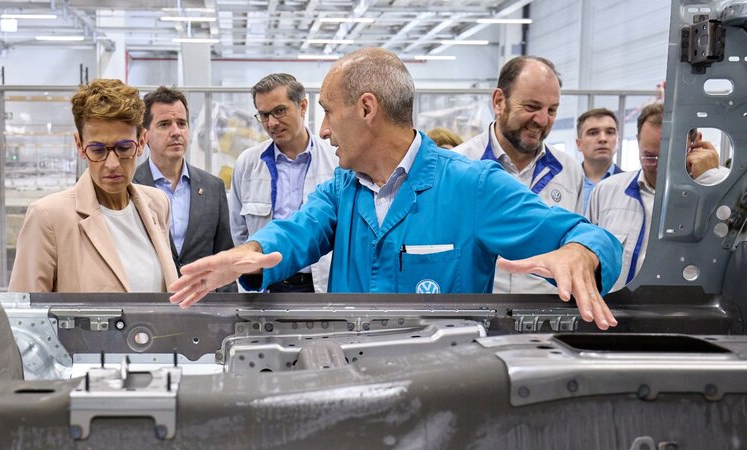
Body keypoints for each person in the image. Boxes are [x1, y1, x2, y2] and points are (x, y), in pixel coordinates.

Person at [170, 48, 621, 331]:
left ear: (367, 109)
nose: (323, 131)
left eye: (328, 112)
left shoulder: (472, 186)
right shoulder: (342, 189)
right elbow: (294, 232)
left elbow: (588, 236)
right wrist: (247, 254)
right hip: (351, 379)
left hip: (445, 395)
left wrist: (583, 252)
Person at [9, 79, 177, 293]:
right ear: (80, 145)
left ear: (142, 142)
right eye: (97, 150)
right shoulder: (49, 217)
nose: (112, 164)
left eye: (124, 148)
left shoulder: (157, 204)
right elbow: (26, 317)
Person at [453, 56, 585, 295]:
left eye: (552, 110)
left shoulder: (569, 171)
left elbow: (574, 243)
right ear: (499, 101)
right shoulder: (459, 166)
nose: (542, 120)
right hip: (477, 312)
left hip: (547, 315)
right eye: (532, 107)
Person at [587, 104, 728, 292]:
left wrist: (710, 180)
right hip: (616, 314)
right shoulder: (607, 192)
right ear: (637, 141)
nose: (661, 168)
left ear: (697, 142)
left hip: (691, 315)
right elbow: (588, 256)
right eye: (650, 157)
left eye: (672, 158)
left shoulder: (727, 189)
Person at [229, 73, 338, 293]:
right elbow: (239, 233)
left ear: (302, 106)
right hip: (265, 288)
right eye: (264, 115)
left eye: (280, 111)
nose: (272, 123)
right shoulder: (248, 163)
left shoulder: (336, 160)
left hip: (319, 286)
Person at [132, 87, 234, 272]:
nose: (176, 132)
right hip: (151, 298)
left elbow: (224, 257)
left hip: (203, 298)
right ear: (144, 135)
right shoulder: (130, 187)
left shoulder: (213, 187)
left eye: (181, 123)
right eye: (164, 124)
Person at [575, 108, 624, 211]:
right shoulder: (565, 182)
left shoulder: (630, 186)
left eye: (610, 132)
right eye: (593, 133)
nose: (603, 139)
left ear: (618, 141)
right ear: (579, 144)